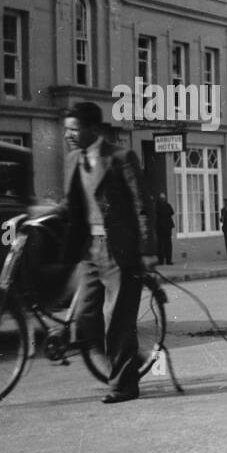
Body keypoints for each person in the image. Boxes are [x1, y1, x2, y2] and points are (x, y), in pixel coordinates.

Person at [48, 102, 156, 404]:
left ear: (92, 129)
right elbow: (71, 204)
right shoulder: (73, 160)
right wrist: (39, 219)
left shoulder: (121, 157)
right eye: (66, 129)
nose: (68, 134)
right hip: (90, 251)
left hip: (119, 250)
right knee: (84, 317)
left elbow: (142, 206)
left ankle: (124, 386)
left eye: (74, 129)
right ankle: (128, 363)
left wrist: (147, 250)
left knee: (117, 319)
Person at [155, 192, 175, 264]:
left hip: (166, 227)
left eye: (164, 198)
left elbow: (172, 212)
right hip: (161, 227)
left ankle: (167, 260)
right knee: (162, 244)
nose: (163, 199)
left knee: (166, 244)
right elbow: (171, 212)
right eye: (162, 198)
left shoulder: (166, 205)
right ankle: (163, 260)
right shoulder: (159, 206)